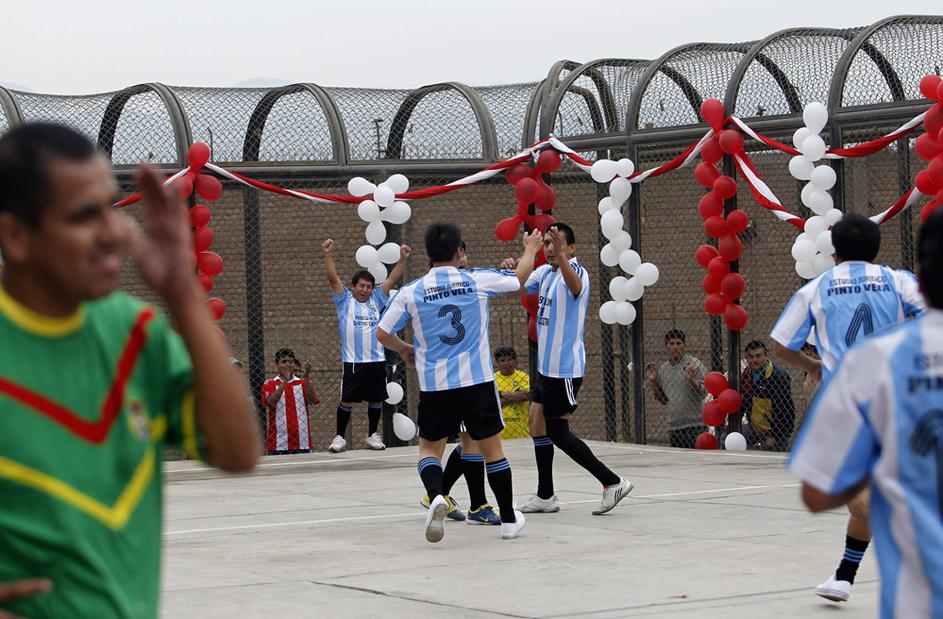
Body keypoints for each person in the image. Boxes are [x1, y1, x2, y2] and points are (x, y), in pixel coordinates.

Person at [0, 123, 260, 617]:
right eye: (84, 215)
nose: (116, 232)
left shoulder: (135, 331)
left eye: (112, 207)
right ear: (15, 236)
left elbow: (237, 451)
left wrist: (182, 293)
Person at [788, 209, 943, 619]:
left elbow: (815, 495)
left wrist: (815, 366)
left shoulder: (823, 293)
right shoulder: (898, 287)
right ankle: (844, 574)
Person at [377, 222, 542, 542]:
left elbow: (382, 332)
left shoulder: (412, 291)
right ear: (458, 251)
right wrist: (530, 249)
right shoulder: (475, 279)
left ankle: (437, 495)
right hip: (477, 381)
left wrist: (405, 349)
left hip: (436, 385)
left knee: (429, 450)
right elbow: (519, 278)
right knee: (493, 451)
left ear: (428, 253)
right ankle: (509, 521)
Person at [519, 223, 632, 515]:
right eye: (547, 243)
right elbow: (518, 284)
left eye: (556, 242)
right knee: (536, 423)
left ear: (571, 248)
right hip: (545, 368)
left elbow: (575, 287)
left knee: (558, 431)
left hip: (564, 369)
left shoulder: (577, 272)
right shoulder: (545, 273)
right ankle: (545, 495)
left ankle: (612, 482)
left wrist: (561, 257)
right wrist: (524, 256)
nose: (550, 248)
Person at [322, 238, 410, 453]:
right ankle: (340, 437)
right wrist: (328, 254)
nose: (365, 289)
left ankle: (372, 435)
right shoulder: (345, 301)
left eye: (369, 287)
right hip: (353, 362)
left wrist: (402, 259)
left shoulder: (377, 299)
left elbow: (392, 279)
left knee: (376, 399)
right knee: (347, 400)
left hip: (376, 360)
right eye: (361, 286)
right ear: (353, 287)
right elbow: (333, 279)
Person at [645, 329, 709, 449]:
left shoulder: (694, 364)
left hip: (695, 426)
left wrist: (690, 380)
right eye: (671, 344)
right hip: (674, 428)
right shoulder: (664, 369)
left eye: (678, 343)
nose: (675, 347)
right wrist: (654, 382)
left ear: (684, 346)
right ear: (666, 346)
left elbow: (704, 392)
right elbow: (663, 399)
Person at [260, 348, 319, 455]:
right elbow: (270, 402)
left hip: (302, 443)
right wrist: (285, 381)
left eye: (291, 362)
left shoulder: (302, 383)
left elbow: (313, 400)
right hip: (278, 444)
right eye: (284, 362)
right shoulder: (270, 383)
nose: (288, 364)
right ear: (277, 364)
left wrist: (306, 377)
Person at [738, 340, 795, 451]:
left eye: (758, 356)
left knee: (773, 457)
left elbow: (783, 410)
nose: (754, 360)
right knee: (727, 437)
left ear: (765, 356)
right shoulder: (747, 374)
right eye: (750, 357)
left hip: (778, 430)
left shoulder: (778, 376)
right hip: (755, 428)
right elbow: (745, 402)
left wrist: (773, 436)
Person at [494, 347, 530, 439]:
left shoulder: (523, 377)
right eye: (502, 360)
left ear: (515, 360)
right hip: (499, 434)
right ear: (497, 363)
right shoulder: (492, 379)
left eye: (509, 359)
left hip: (521, 433)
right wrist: (514, 395)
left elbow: (524, 396)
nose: (506, 363)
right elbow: (491, 402)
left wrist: (500, 394)